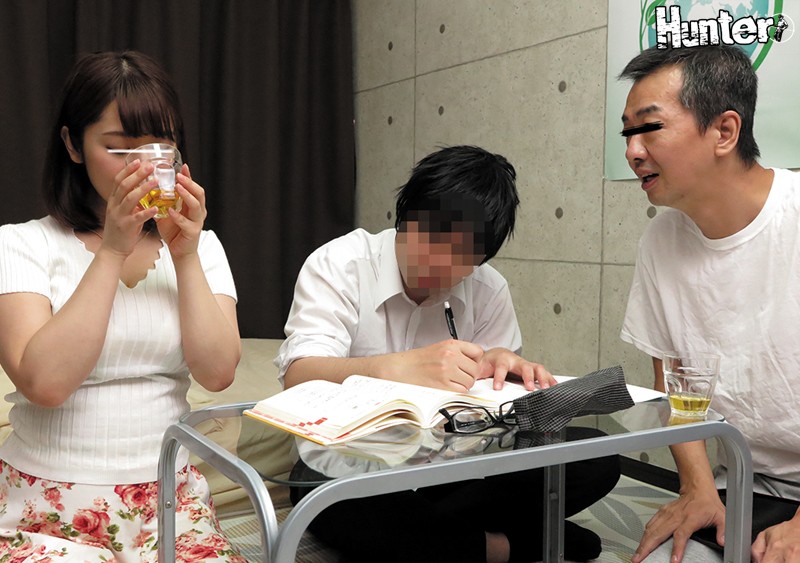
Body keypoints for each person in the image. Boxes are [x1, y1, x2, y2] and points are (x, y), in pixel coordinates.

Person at [275, 145, 621, 563]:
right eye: (432, 237)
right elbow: (298, 377)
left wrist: (507, 374)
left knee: (596, 456)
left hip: (456, 465)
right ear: (405, 217)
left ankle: (433, 538)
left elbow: (503, 422)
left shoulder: (488, 288)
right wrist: (394, 367)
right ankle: (508, 546)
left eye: (463, 254)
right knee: (320, 492)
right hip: (354, 461)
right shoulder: (340, 264)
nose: (441, 262)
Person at [0, 51, 245, 562]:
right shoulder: (22, 244)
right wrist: (112, 250)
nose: (142, 167)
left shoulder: (202, 246)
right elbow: (45, 384)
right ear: (73, 145)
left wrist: (185, 255)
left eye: (159, 147)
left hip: (172, 502)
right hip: (47, 510)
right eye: (118, 149)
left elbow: (218, 372)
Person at [618, 44, 800, 563]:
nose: (632, 151)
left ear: (724, 131)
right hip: (741, 481)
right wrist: (697, 488)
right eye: (627, 133)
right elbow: (675, 386)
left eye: (649, 127)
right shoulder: (661, 241)